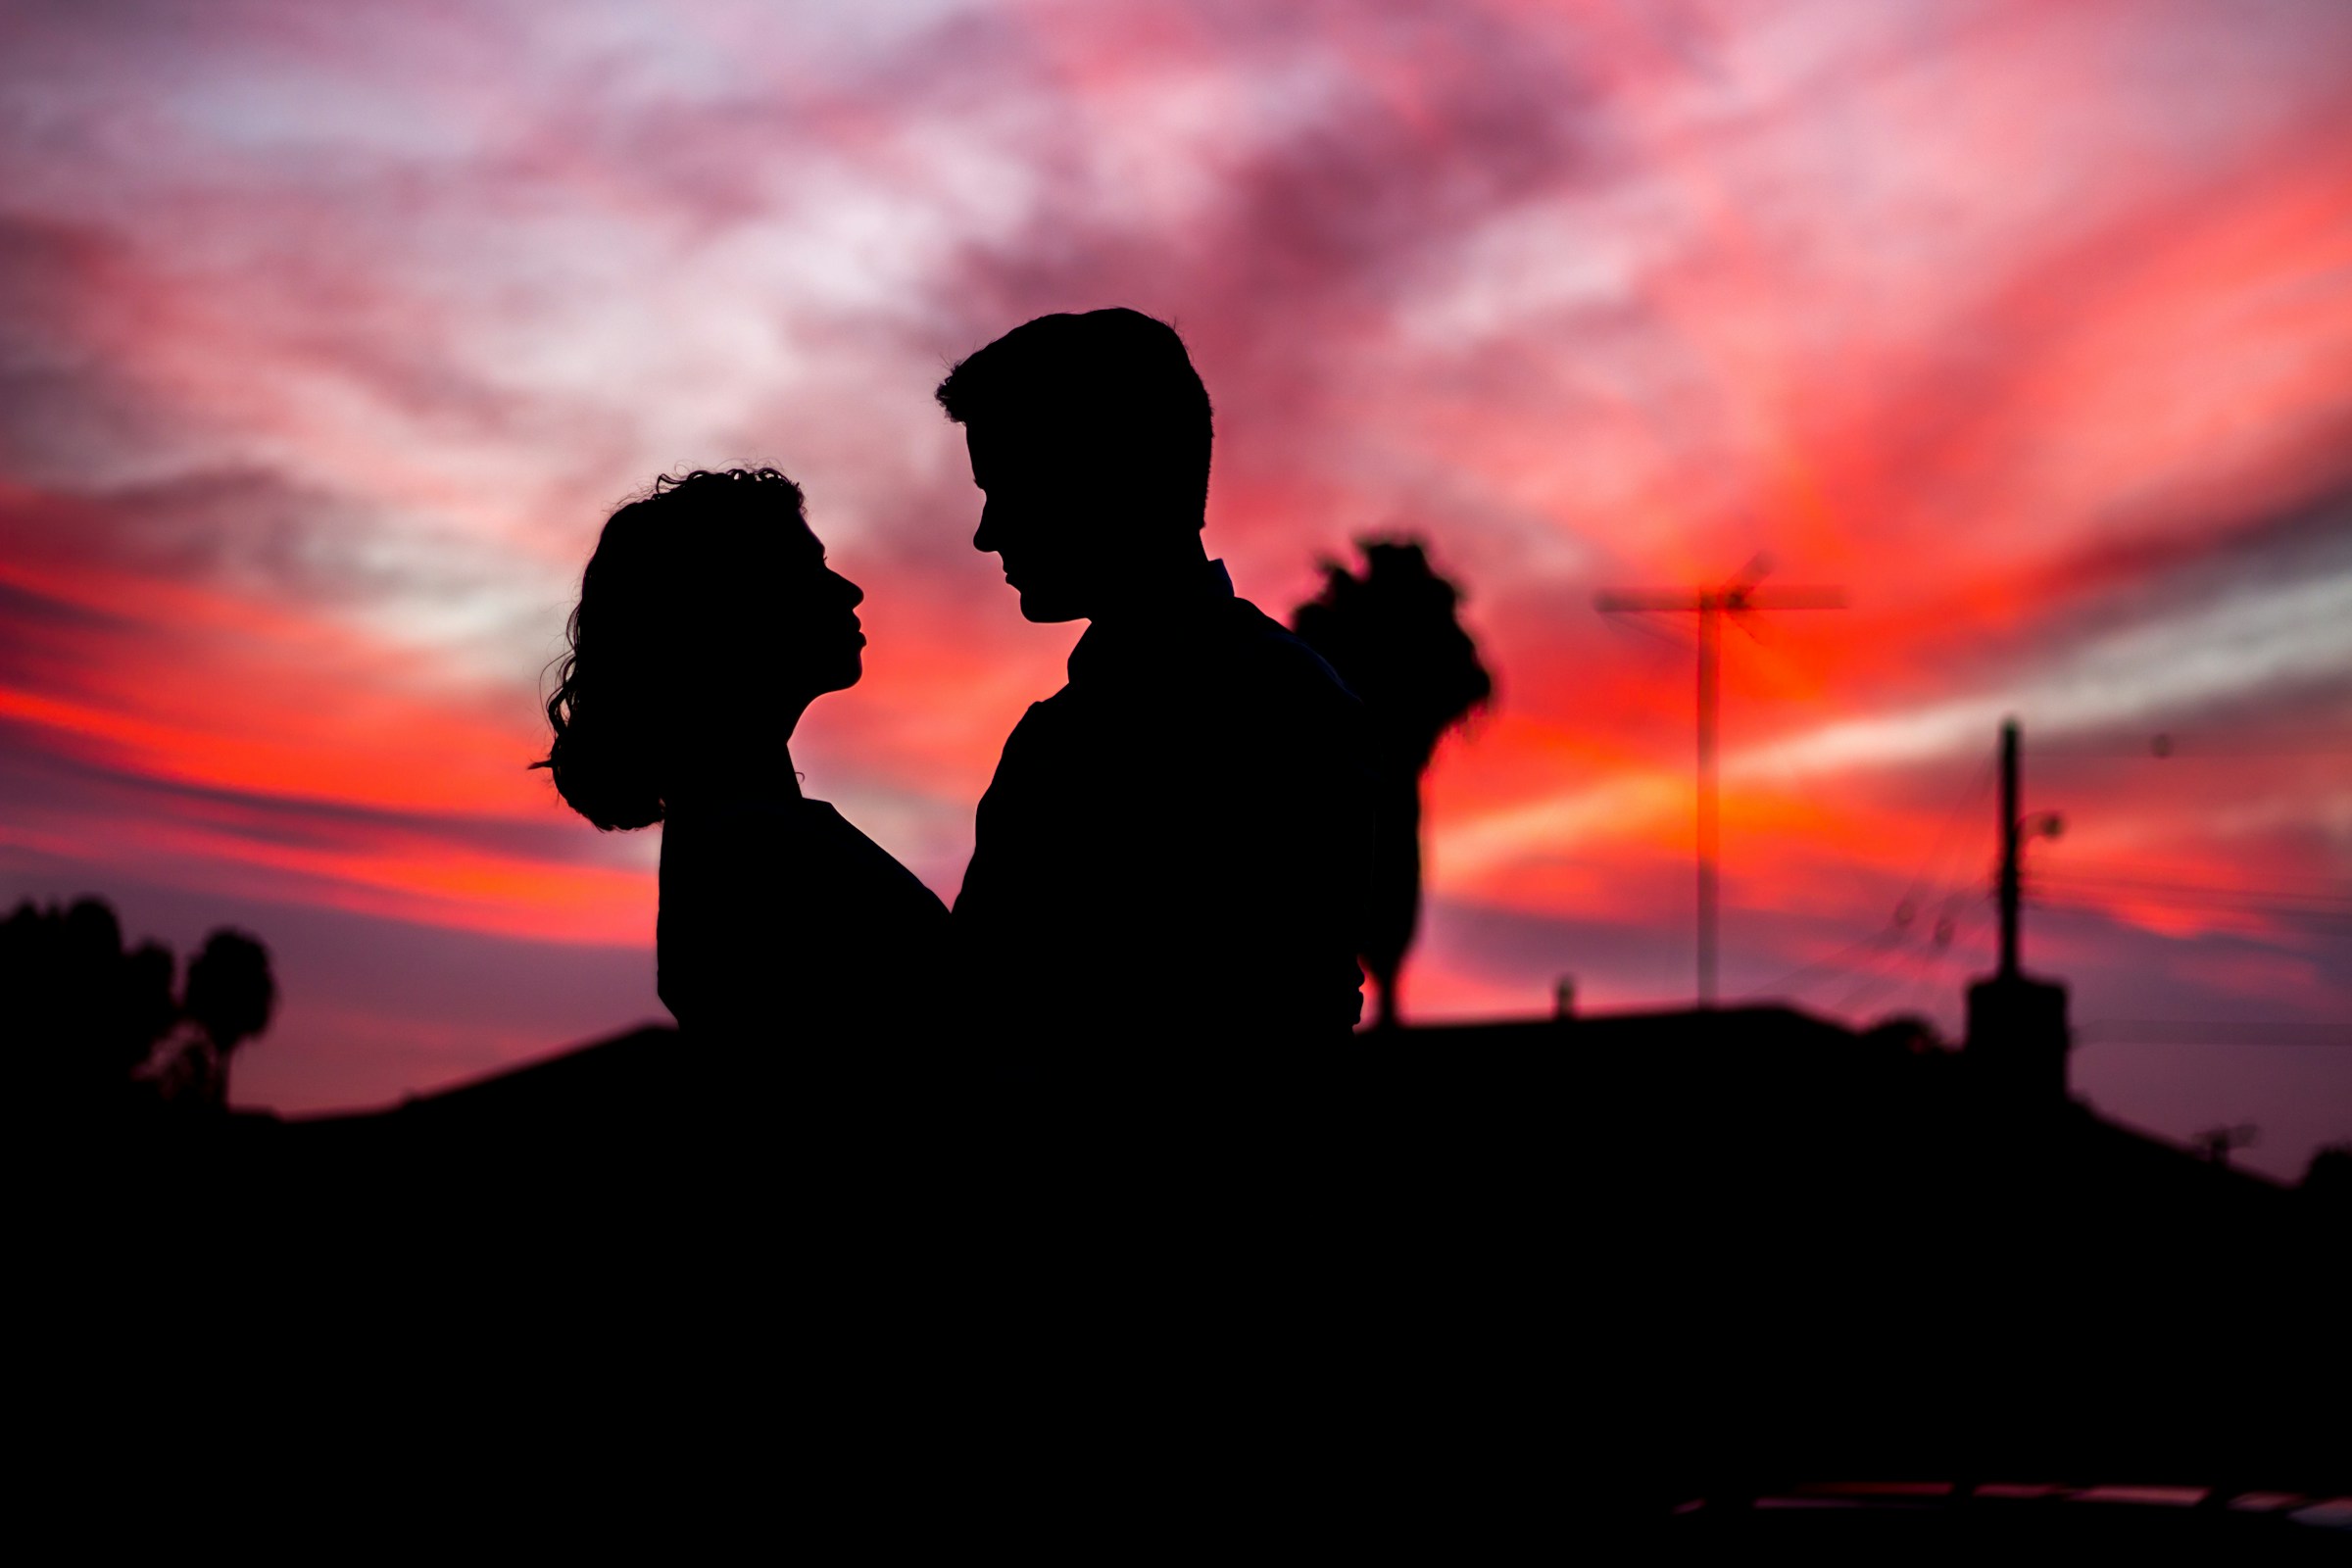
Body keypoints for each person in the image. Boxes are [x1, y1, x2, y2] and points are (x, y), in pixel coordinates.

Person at [938, 310, 1374, 1053]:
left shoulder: (1088, 741)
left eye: (1007, 486)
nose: (987, 531)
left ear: (1105, 477)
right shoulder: (1298, 695)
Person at [537, 467, 948, 1056]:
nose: (849, 590)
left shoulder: (745, 835)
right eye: (807, 571)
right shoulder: (758, 851)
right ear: (728, 610)